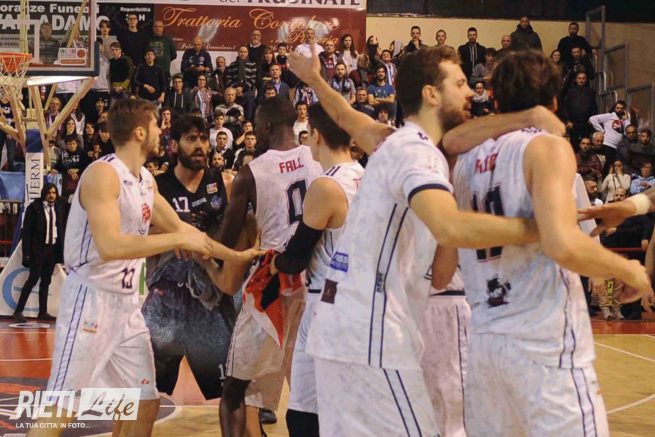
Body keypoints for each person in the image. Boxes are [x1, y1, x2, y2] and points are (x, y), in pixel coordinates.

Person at [287, 42, 568, 437]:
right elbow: (449, 227)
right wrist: (543, 230)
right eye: (460, 83)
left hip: (344, 328)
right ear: (431, 94)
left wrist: (315, 79)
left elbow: (346, 115)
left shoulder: (391, 142)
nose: (471, 93)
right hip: (371, 332)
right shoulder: (417, 154)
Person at [448, 50, 651, 437]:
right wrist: (629, 269)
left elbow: (449, 140)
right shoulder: (547, 147)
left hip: (485, 341)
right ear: (555, 102)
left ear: (495, 100)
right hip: (543, 342)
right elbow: (563, 245)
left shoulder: (465, 160)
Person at [32, 98, 239, 435]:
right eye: (157, 125)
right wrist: (175, 241)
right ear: (140, 132)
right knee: (62, 407)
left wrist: (240, 256)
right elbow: (111, 247)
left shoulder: (145, 180)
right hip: (91, 302)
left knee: (144, 402)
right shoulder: (103, 174)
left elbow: (185, 230)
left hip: (128, 306)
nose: (161, 132)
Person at [217, 96, 322, 437]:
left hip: (272, 282)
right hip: (314, 278)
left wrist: (201, 248)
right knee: (310, 386)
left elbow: (226, 239)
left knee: (235, 389)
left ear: (265, 127)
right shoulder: (316, 157)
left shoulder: (250, 173)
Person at [143, 115, 259, 402]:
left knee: (230, 391)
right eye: (191, 139)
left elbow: (248, 228)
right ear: (174, 145)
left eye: (203, 139)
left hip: (212, 295)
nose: (199, 145)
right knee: (145, 387)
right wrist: (177, 234)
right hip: (167, 294)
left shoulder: (226, 182)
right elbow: (140, 233)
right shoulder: (157, 186)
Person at [268, 103, 364, 436]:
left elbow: (295, 258)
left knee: (307, 415)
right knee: (331, 412)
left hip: (329, 302)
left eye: (307, 134)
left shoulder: (327, 185)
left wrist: (270, 261)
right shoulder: (365, 176)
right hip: (358, 300)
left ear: (318, 136)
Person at [13, 184, 65, 323]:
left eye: (54, 192)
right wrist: (26, 253)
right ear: (43, 193)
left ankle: (42, 312)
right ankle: (18, 311)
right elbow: (26, 233)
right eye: (49, 192)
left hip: (52, 250)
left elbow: (61, 229)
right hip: (38, 250)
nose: (52, 195)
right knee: (32, 280)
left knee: (46, 281)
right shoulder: (34, 208)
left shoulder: (58, 208)